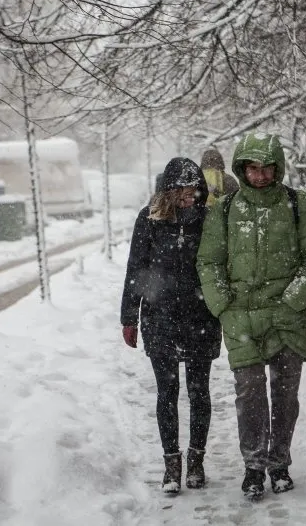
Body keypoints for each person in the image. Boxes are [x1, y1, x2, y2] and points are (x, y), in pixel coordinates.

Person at [196, 132, 306, 500]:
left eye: (265, 168)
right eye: (251, 169)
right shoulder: (225, 209)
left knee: (286, 395)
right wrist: (222, 304)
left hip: (286, 316)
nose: (259, 176)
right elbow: (209, 261)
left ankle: (280, 462)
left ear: (277, 168)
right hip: (240, 318)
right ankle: (254, 466)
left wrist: (291, 299)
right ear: (241, 169)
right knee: (250, 394)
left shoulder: (298, 204)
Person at [120, 157, 222, 495]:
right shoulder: (149, 219)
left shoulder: (208, 219)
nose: (187, 196)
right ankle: (171, 464)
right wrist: (128, 316)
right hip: (159, 318)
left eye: (193, 190)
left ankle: (196, 460)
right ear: (168, 190)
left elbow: (221, 264)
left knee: (198, 391)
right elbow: (136, 267)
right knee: (167, 392)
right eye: (181, 190)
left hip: (201, 317)